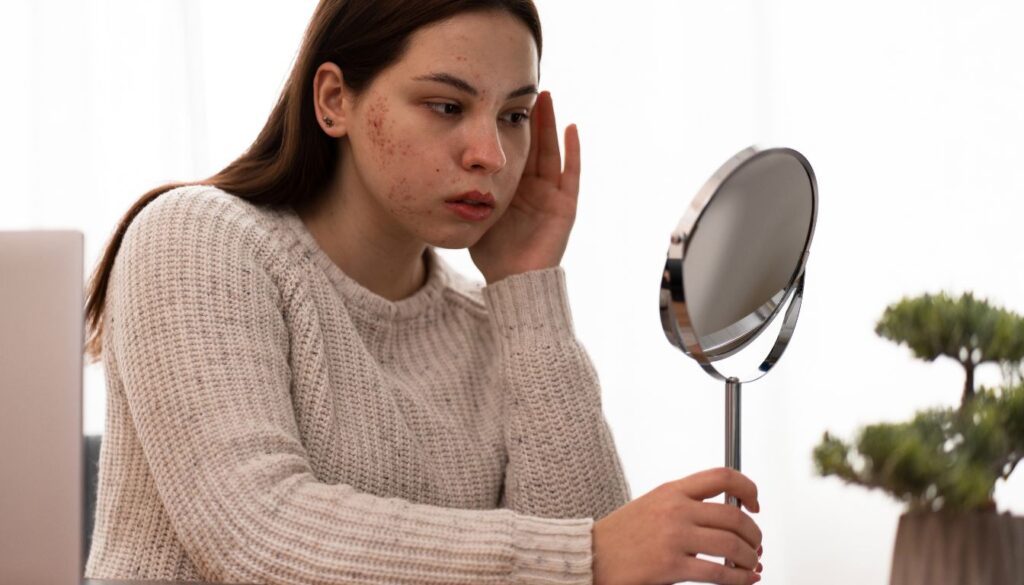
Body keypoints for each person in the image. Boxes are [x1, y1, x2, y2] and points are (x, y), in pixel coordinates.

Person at [82, 1, 764, 584]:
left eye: (513, 115)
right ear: (333, 100)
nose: (490, 156)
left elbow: (599, 563)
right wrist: (581, 555)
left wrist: (529, 289)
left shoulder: (488, 323)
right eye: (446, 106)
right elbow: (256, 532)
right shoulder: (198, 240)